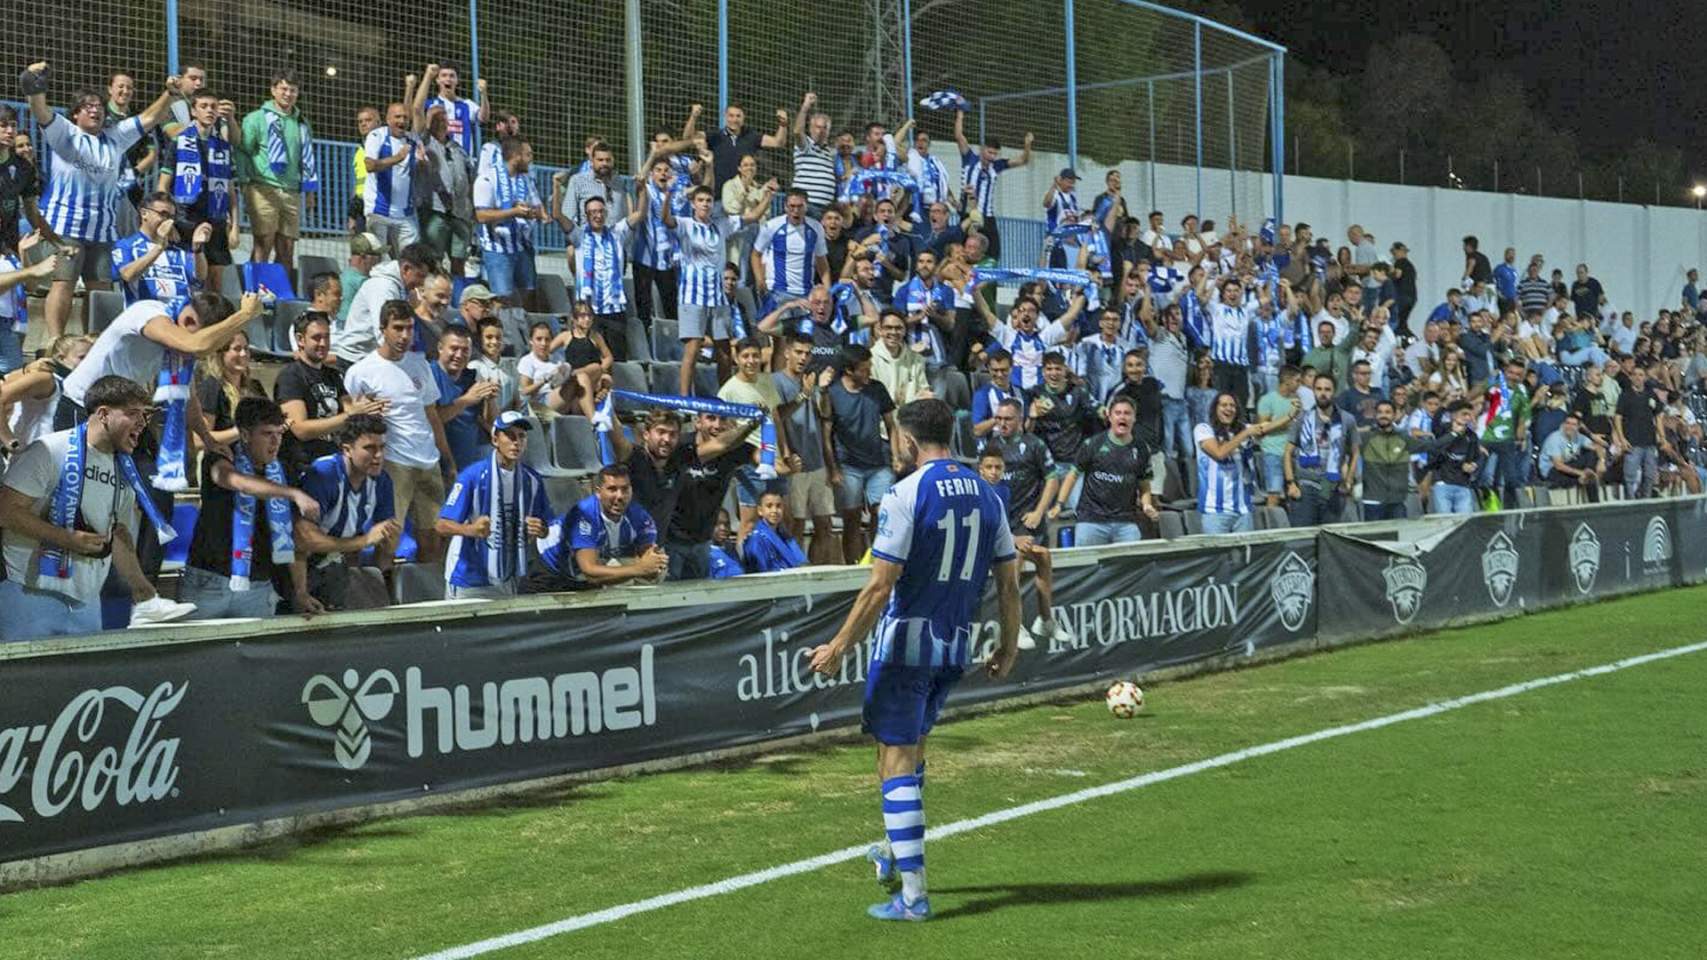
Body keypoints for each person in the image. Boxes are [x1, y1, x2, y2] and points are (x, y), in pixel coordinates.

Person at [806, 398, 1022, 923]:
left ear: (906, 440)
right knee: (905, 751)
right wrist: (1010, 645)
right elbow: (1010, 580)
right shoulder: (988, 495)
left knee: (895, 758)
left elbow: (880, 585)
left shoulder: (906, 493)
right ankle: (892, 848)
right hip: (954, 644)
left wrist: (838, 646)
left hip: (906, 645)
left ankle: (913, 895)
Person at [0, 375, 194, 641]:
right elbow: (7, 512)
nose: (142, 423)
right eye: (133, 413)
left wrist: (143, 592)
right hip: (30, 594)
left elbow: (119, 535)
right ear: (103, 414)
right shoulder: (48, 450)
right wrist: (66, 539)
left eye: (146, 415)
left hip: (87, 601)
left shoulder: (124, 468)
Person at [21, 61, 184, 339]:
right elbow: (40, 109)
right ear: (75, 114)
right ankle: (55, 342)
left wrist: (169, 94)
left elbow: (148, 118)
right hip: (66, 230)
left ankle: (94, 341)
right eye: (87, 106)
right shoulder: (64, 132)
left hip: (103, 231)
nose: (95, 109)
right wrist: (33, 82)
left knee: (101, 291)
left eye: (98, 104)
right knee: (64, 283)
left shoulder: (115, 137)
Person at [181, 397, 323, 619]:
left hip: (258, 585)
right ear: (245, 435)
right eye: (267, 434)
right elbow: (233, 481)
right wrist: (291, 493)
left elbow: (294, 535)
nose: (275, 442)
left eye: (279, 434)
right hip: (209, 581)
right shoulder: (221, 455)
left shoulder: (284, 470)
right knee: (196, 653)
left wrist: (301, 592)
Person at [342, 300, 455, 562]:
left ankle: (426, 597)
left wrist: (447, 457)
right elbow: (350, 418)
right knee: (389, 537)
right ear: (383, 329)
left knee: (433, 538)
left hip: (428, 461)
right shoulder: (361, 371)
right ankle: (387, 597)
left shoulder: (420, 365)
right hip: (394, 463)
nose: (405, 336)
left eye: (410, 328)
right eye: (398, 328)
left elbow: (431, 415)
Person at [607, 406, 760, 581]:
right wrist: (607, 403)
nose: (666, 439)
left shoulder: (679, 459)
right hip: (624, 555)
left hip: (655, 554)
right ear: (646, 434)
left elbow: (721, 444)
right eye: (661, 432)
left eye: (673, 434)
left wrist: (751, 424)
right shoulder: (634, 457)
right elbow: (616, 435)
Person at [670, 178, 776, 396]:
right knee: (693, 346)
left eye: (709, 200)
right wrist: (668, 195)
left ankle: (726, 396)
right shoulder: (685, 224)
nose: (705, 204)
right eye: (701, 200)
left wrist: (768, 197)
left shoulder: (721, 224)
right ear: (693, 203)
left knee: (724, 350)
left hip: (717, 297)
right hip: (692, 295)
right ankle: (684, 400)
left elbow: (753, 217)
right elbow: (665, 219)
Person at [978, 401, 1068, 647]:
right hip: (1000, 527)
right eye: (998, 418)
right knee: (1014, 560)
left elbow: (1052, 479)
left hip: (1027, 522)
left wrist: (1040, 512)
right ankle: (1013, 625)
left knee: (1044, 557)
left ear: (1019, 420)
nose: (1001, 423)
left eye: (1007, 419)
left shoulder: (1034, 445)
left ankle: (1046, 620)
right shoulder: (991, 448)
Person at [435, 410, 550, 599]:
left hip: (509, 575)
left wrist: (541, 529)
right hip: (469, 577)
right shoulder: (471, 476)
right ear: (495, 440)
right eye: (510, 436)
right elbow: (441, 525)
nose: (516, 442)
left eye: (521, 437)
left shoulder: (532, 480)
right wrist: (471, 530)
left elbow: (546, 525)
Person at [292, 414, 401, 610]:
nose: (378, 456)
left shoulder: (382, 481)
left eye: (382, 448)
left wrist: (389, 545)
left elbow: (384, 549)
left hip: (336, 564)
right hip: (297, 569)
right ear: (347, 449)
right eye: (369, 448)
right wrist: (363, 541)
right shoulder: (324, 474)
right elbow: (301, 539)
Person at [275, 310, 383, 479]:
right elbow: (300, 429)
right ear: (300, 340)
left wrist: (368, 406)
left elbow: (350, 410)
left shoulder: (333, 375)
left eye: (327, 337)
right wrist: (350, 415)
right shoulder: (291, 376)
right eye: (317, 337)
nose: (323, 343)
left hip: (335, 464)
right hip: (305, 467)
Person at [531, 463, 668, 591]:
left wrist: (654, 564)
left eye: (625, 489)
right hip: (548, 568)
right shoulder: (585, 515)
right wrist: (639, 569)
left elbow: (649, 563)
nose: (619, 496)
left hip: (579, 572)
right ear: (598, 492)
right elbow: (590, 571)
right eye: (612, 489)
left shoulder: (640, 517)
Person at [156, 90, 239, 297]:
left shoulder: (223, 147)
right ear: (193, 111)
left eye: (213, 106)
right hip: (185, 219)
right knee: (188, 278)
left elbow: (230, 190)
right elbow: (162, 187)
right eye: (203, 106)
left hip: (216, 220)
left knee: (216, 283)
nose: (209, 110)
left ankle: (214, 325)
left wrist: (235, 226)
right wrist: (167, 222)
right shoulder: (179, 142)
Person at [827, 345, 902, 564]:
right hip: (848, 465)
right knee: (852, 519)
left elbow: (891, 424)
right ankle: (852, 567)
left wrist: (896, 455)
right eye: (864, 368)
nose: (869, 372)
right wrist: (833, 468)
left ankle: (878, 561)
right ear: (849, 371)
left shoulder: (877, 389)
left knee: (883, 514)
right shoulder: (833, 392)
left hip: (878, 463)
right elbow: (826, 435)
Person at [235, 70, 319, 267]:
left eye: (293, 90)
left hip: (292, 190)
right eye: (283, 89)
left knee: (287, 247)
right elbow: (242, 150)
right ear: (273, 90)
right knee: (264, 242)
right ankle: (254, 292)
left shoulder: (302, 123)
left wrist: (309, 191)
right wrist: (244, 182)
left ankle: (280, 294)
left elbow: (306, 158)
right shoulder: (255, 118)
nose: (288, 94)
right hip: (263, 187)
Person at [1052, 395, 1158, 545]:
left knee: (1132, 567)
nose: (1123, 417)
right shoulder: (1093, 444)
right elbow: (1072, 475)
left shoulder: (1142, 449)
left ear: (1134, 418)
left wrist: (1147, 504)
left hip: (1125, 522)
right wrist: (1059, 504)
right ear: (1109, 416)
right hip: (1091, 520)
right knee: (1086, 566)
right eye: (1118, 413)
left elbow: (1144, 484)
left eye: (1127, 413)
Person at [719, 337, 798, 535]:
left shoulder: (766, 380)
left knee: (783, 519)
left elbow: (776, 418)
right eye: (745, 356)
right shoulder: (727, 391)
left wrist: (786, 451)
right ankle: (748, 566)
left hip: (776, 459)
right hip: (749, 465)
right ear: (736, 359)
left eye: (755, 355)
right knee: (750, 523)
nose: (751, 360)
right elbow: (727, 432)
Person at [773, 334, 839, 565]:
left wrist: (823, 390)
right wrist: (803, 395)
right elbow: (777, 415)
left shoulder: (812, 380)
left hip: (818, 461)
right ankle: (797, 573)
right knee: (796, 525)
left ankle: (818, 574)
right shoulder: (776, 381)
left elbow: (826, 414)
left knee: (825, 525)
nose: (803, 357)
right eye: (798, 352)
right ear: (787, 353)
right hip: (796, 464)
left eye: (807, 353)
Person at [568, 194, 646, 360]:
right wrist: (555, 184)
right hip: (588, 309)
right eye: (593, 212)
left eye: (601, 211)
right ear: (587, 215)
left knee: (616, 358)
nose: (598, 215)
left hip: (614, 308)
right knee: (590, 358)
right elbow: (559, 218)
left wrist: (642, 189)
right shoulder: (580, 236)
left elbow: (639, 214)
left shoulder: (617, 233)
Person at [335, 242, 439, 365]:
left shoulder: (402, 288)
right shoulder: (383, 288)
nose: (421, 283)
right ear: (406, 269)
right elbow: (384, 334)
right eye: (420, 276)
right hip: (356, 359)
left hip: (374, 357)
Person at [474, 135, 547, 306]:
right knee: (502, 298)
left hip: (523, 247)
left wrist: (533, 212)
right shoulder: (487, 178)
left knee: (529, 294)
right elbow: (481, 215)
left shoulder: (526, 179)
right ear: (516, 156)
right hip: (498, 249)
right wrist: (513, 212)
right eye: (528, 155)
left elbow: (537, 208)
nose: (531, 159)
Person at [953, 108, 1032, 262]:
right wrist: (960, 115)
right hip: (967, 214)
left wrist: (1027, 145)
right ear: (982, 150)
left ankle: (989, 283)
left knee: (993, 254)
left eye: (995, 154)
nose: (992, 157)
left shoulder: (996, 166)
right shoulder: (969, 159)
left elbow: (1023, 160)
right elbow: (959, 136)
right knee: (963, 252)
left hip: (987, 216)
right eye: (990, 153)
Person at [1196, 391, 1282, 533]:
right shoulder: (1203, 429)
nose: (1229, 409)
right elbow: (1220, 453)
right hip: (1215, 512)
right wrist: (1246, 434)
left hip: (1243, 510)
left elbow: (1266, 427)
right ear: (1215, 408)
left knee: (1244, 555)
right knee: (1219, 556)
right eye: (1224, 405)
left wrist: (1291, 415)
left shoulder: (1242, 430)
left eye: (1232, 406)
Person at [1284, 374, 1359, 527]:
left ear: (1334, 392)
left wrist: (1349, 480)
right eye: (1318, 389)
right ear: (1313, 391)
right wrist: (1290, 483)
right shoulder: (1302, 418)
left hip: (1333, 488)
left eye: (1327, 389)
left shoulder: (1347, 419)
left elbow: (1355, 452)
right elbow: (1287, 452)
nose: (1323, 393)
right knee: (1303, 539)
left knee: (1330, 538)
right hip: (1305, 487)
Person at [0, 335, 91, 453]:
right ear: (61, 358)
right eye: (82, 357)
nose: (88, 363)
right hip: (30, 458)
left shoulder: (76, 385)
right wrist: (9, 441)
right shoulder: (46, 378)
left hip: (55, 459)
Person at [751, 188, 830, 319]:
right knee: (780, 334)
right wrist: (760, 280)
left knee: (804, 336)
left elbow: (822, 261)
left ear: (806, 207)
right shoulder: (772, 226)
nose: (796, 211)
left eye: (800, 206)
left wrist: (827, 290)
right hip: (777, 290)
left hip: (806, 292)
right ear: (785, 207)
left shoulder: (816, 228)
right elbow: (756, 254)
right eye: (792, 206)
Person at [431, 325, 499, 472]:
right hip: (440, 464)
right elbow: (432, 419)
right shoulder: (430, 375)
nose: (459, 355)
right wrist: (467, 400)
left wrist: (490, 400)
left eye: (465, 350)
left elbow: (491, 423)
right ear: (440, 348)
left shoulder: (471, 377)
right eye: (454, 348)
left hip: (470, 461)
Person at [194, 329, 267, 445]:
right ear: (221, 353)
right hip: (225, 458)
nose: (244, 354)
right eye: (237, 349)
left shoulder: (255, 387)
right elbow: (199, 439)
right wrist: (240, 432)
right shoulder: (211, 387)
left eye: (246, 349)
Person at [1420, 399, 1484, 514]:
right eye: (1464, 414)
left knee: (1464, 524)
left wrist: (1473, 465)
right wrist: (1453, 433)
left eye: (1470, 414)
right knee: (1445, 523)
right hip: (1443, 484)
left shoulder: (1472, 435)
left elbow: (1478, 457)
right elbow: (1435, 441)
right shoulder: (1442, 430)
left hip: (1463, 485)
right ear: (1453, 415)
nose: (1468, 417)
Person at [1358, 400, 1417, 521]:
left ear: (1395, 415)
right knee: (1373, 539)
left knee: (1400, 538)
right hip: (1373, 500)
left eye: (1387, 412)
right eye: (1380, 412)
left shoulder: (1403, 438)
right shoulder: (1366, 437)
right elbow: (1345, 448)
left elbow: (1432, 446)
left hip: (1397, 501)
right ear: (1375, 415)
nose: (1383, 415)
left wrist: (1454, 434)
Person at [1613, 364, 1661, 498]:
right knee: (1630, 475)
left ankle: (1646, 498)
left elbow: (1658, 415)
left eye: (1641, 375)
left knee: (1650, 474)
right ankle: (1631, 501)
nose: (1638, 378)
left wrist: (1661, 436)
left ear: (1645, 378)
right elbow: (1618, 417)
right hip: (1632, 441)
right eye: (1635, 375)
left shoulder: (1651, 394)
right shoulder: (1625, 395)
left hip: (1649, 440)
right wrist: (1622, 439)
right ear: (1631, 377)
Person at [421, 61, 487, 156]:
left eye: (452, 76)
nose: (448, 79)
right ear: (437, 80)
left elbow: (483, 118)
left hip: (464, 160)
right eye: (444, 75)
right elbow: (415, 112)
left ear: (457, 81)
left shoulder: (467, 104)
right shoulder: (430, 104)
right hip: (438, 158)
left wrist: (483, 94)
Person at [1538, 412, 1604, 503]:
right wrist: (1580, 473)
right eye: (1567, 423)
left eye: (1573, 424)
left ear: (1578, 427)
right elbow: (1558, 465)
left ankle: (1588, 478)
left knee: (1591, 454)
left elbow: (1598, 447)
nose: (1569, 427)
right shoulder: (1555, 439)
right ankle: (1584, 480)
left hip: (1569, 466)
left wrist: (1601, 461)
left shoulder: (1578, 437)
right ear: (1563, 424)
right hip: (1552, 471)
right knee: (1587, 479)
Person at [742, 489, 807, 573]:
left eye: (778, 506)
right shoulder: (756, 539)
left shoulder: (785, 535)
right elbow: (761, 571)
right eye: (769, 506)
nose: (774, 511)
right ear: (760, 511)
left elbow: (801, 562)